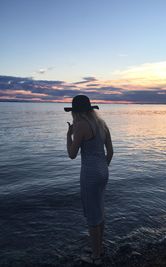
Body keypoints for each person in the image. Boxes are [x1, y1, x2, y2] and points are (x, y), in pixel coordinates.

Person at [64, 95, 113, 265]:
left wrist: (68, 135)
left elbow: (71, 154)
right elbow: (110, 152)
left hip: (90, 174)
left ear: (76, 112)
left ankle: (96, 256)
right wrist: (102, 168)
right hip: (103, 172)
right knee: (99, 209)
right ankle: (99, 246)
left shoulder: (81, 126)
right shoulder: (102, 124)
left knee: (92, 215)